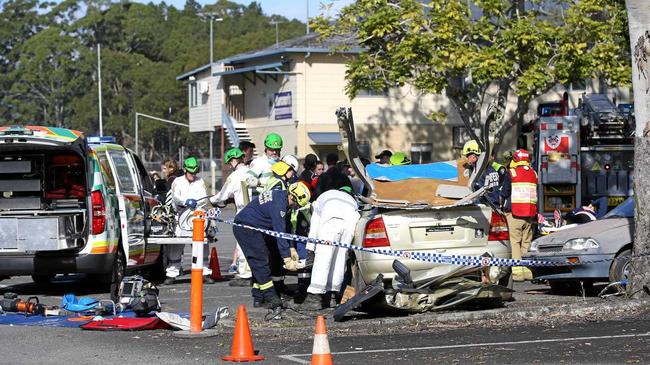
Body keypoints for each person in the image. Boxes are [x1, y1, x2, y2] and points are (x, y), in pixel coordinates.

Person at [232, 182, 311, 309]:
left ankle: (258, 297)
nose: (296, 208)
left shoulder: (284, 199)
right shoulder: (279, 205)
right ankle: (270, 297)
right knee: (260, 261)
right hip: (246, 227)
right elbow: (279, 232)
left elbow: (287, 226)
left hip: (258, 227)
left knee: (265, 260)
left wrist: (291, 247)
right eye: (297, 204)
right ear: (293, 197)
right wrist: (287, 258)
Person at [300, 186, 360, 310]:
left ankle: (314, 297)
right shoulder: (353, 201)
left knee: (323, 258)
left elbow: (315, 226)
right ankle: (331, 297)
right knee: (339, 260)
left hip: (330, 223)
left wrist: (311, 248)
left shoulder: (326, 195)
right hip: (349, 225)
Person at [164, 156, 213, 285]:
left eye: (195, 172)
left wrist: (197, 203)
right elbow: (175, 197)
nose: (193, 174)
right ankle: (172, 273)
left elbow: (204, 198)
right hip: (180, 217)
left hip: (196, 217)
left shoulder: (200, 181)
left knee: (202, 246)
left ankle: (205, 272)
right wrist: (186, 201)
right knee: (176, 246)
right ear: (185, 170)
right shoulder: (177, 182)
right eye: (191, 172)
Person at [209, 148, 252, 284]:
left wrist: (211, 200)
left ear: (233, 161)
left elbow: (222, 195)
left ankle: (245, 276)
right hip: (258, 212)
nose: (229, 166)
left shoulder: (234, 176)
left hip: (244, 212)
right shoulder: (252, 171)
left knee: (243, 244)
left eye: (229, 163)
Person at [501, 149, 538, 281]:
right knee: (526, 243)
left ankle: (517, 273)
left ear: (515, 159)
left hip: (514, 214)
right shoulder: (534, 173)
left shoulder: (512, 172)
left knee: (514, 242)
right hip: (529, 215)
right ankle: (528, 272)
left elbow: (504, 192)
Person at [462, 140, 504, 207]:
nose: (467, 158)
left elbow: (490, 196)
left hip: (488, 210)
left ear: (474, 155)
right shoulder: (483, 169)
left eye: (468, 155)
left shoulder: (484, 172)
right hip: (487, 208)